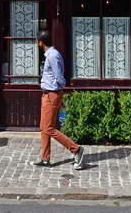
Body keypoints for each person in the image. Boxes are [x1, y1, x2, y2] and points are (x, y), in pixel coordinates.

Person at [31, 30, 85, 169]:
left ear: (40, 42)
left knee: (49, 128)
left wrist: (58, 92)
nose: (37, 43)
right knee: (44, 128)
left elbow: (59, 77)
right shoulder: (52, 54)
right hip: (48, 94)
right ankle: (45, 159)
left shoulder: (52, 56)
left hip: (51, 95)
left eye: (37, 41)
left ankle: (76, 149)